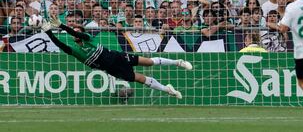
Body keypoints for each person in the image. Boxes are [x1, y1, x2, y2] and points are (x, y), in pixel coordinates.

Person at [41, 14, 193, 99]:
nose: (75, 34)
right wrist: (48, 31)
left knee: (148, 62)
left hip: (117, 57)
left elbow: (76, 32)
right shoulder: (75, 50)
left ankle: (177, 62)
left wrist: (61, 26)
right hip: (111, 69)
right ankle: (167, 90)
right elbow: (61, 45)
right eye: (73, 31)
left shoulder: (88, 37)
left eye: (76, 30)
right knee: (140, 79)